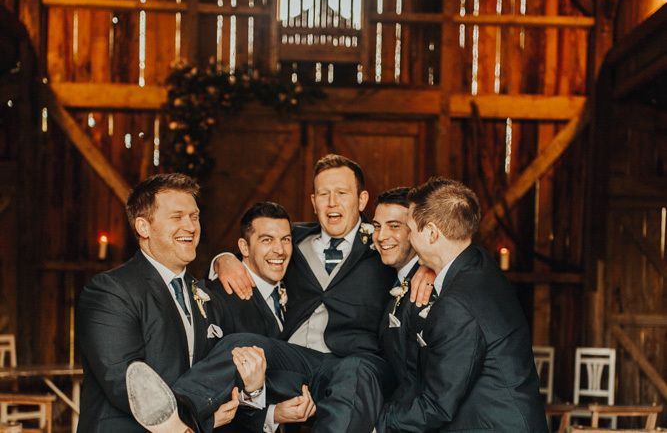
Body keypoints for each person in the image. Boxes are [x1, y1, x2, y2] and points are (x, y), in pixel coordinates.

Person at [127, 155, 433, 432]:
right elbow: (253, 247)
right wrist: (224, 259)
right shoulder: (292, 240)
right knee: (241, 344)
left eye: (342, 193)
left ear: (361, 199)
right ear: (313, 202)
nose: (332, 203)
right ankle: (178, 413)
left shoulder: (382, 243)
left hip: (358, 362)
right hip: (299, 361)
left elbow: (413, 253)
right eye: (323, 194)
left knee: (353, 375)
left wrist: (426, 266)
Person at [76, 173, 263, 432]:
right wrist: (202, 420)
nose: (190, 226)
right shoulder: (111, 291)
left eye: (194, 217)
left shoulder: (203, 294)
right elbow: (128, 385)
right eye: (177, 217)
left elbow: (214, 373)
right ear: (143, 227)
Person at [376, 177, 548, 432]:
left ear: (433, 233)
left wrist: (377, 424)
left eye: (411, 229)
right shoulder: (479, 263)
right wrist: (428, 265)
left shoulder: (456, 303)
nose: (409, 238)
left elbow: (437, 405)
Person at [206, 201, 315, 431]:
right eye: (267, 240)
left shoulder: (296, 287)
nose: (280, 250)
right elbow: (211, 385)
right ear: (244, 248)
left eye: (285, 239)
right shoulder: (219, 298)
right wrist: (273, 414)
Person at [372, 187, 422, 389]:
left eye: (394, 226)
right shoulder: (397, 277)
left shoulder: (426, 286)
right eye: (377, 226)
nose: (381, 236)